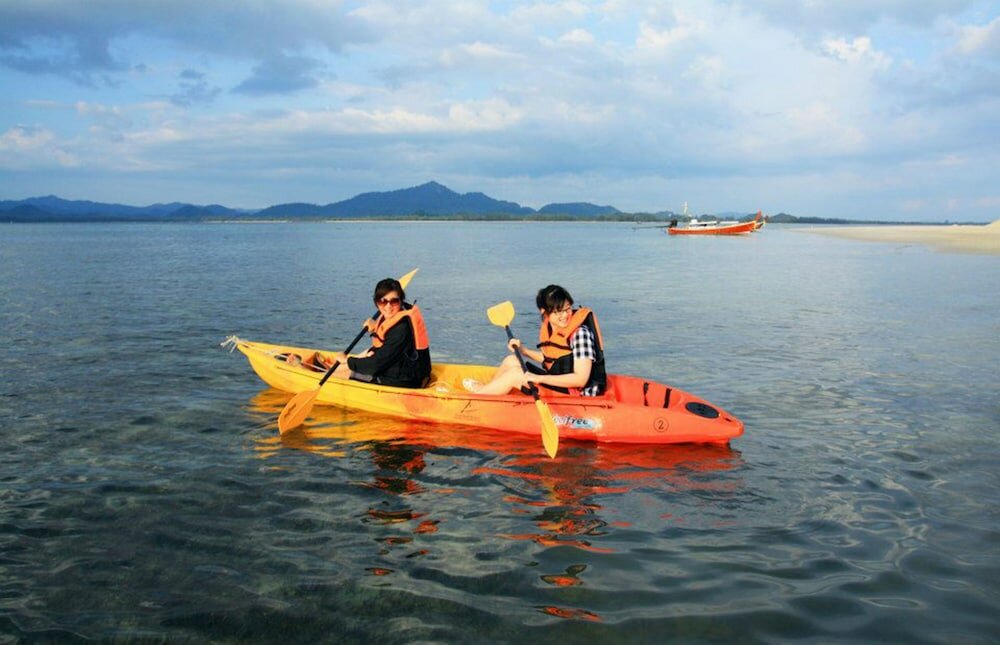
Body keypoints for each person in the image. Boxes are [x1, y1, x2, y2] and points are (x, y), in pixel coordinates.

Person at [468, 285, 606, 396]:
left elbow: (580, 380)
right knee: (512, 361)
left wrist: (539, 378)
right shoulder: (553, 328)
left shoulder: (581, 334)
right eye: (558, 312)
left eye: (568, 309)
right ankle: (489, 392)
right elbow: (554, 361)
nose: (565, 315)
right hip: (560, 383)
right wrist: (523, 351)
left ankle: (480, 397)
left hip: (577, 392)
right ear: (544, 311)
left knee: (515, 375)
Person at [308, 278, 432, 388]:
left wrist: (348, 361)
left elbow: (375, 365)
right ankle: (329, 370)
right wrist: (375, 328)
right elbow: (386, 339)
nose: (388, 306)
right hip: (405, 367)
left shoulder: (402, 329)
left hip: (408, 379)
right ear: (376, 302)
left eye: (393, 301)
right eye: (383, 301)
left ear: (400, 300)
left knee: (351, 371)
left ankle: (322, 375)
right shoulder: (401, 311)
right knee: (368, 353)